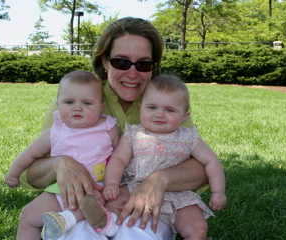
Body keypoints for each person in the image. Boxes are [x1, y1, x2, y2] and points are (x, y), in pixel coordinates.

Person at [19, 17, 209, 240]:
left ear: (153, 67)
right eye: (121, 62)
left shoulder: (164, 104)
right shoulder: (76, 102)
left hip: (141, 208)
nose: (132, 73)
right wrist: (59, 164)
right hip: (84, 205)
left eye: (144, 64)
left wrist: (160, 179)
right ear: (105, 61)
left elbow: (202, 168)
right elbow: (28, 176)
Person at [81, 75, 227, 239]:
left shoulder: (189, 137)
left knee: (198, 227)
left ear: (184, 116)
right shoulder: (133, 133)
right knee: (111, 203)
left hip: (178, 195)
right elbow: (118, 159)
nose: (159, 114)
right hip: (134, 188)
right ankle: (108, 223)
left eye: (169, 110)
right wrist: (112, 183)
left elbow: (211, 161)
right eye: (152, 108)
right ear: (141, 107)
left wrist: (218, 192)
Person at [5, 70, 120, 240]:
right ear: (58, 104)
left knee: (93, 202)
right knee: (27, 216)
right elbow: (29, 155)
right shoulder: (54, 133)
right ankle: (89, 220)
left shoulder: (108, 128)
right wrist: (13, 174)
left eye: (87, 103)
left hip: (96, 189)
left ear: (101, 107)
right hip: (60, 190)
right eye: (69, 102)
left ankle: (95, 220)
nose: (77, 107)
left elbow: (121, 157)